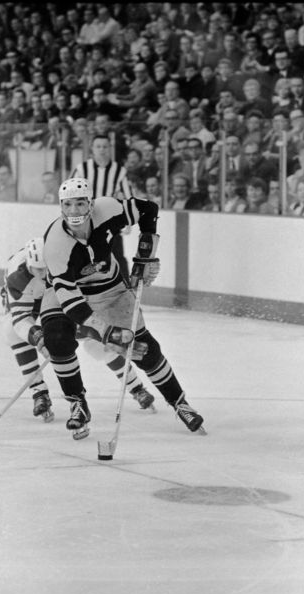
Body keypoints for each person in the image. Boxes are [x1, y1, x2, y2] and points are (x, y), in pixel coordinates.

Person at [40, 177, 205, 440]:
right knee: (57, 339)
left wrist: (145, 255)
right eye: (68, 205)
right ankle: (77, 403)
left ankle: (180, 403)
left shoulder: (108, 209)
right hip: (69, 294)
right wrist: (106, 332)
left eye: (80, 203)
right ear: (60, 207)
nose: (74, 211)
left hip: (111, 289)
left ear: (91, 204)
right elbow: (72, 304)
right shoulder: (56, 245)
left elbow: (148, 209)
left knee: (145, 350)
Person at [1, 237, 156, 430]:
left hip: (58, 297)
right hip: (29, 302)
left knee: (96, 342)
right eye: (37, 269)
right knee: (12, 331)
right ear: (28, 265)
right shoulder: (18, 276)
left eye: (45, 268)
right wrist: (39, 337)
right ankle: (39, 393)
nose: (42, 274)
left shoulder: (67, 262)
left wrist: (92, 330)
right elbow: (21, 319)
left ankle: (135, 387)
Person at [70, 134, 133, 282]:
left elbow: (129, 197)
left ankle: (126, 287)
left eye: (105, 146)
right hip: (85, 221)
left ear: (110, 148)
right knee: (81, 255)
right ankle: (78, 287)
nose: (102, 150)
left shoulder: (119, 170)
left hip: (110, 220)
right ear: (92, 149)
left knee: (117, 255)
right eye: (98, 146)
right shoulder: (82, 169)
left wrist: (128, 221)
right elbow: (69, 193)